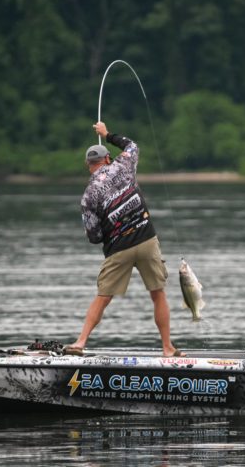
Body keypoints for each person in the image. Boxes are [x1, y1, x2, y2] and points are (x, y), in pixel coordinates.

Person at [64, 121, 182, 357]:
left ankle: (80, 342)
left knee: (103, 297)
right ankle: (168, 348)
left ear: (89, 166)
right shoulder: (123, 164)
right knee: (157, 294)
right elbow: (132, 145)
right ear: (107, 159)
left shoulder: (88, 197)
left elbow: (94, 236)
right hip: (147, 241)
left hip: (118, 248)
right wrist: (107, 134)